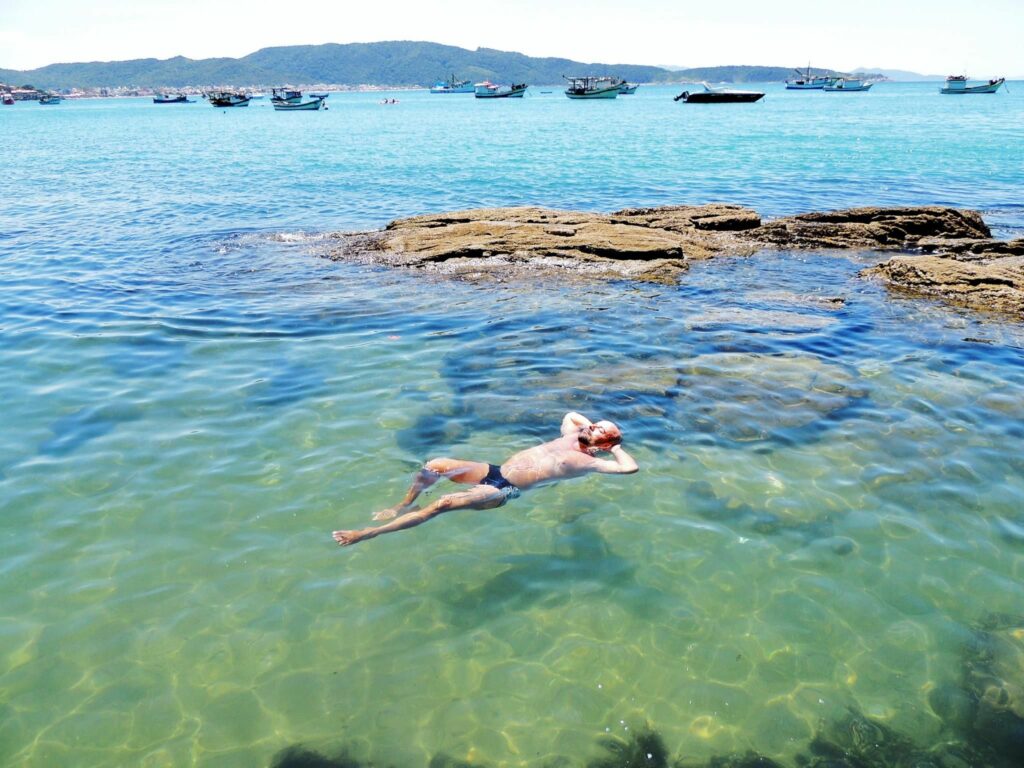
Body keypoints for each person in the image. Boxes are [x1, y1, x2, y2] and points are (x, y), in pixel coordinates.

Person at [332, 412, 638, 547]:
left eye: (599, 428)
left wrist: (615, 447)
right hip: (495, 470)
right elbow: (572, 414)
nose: (592, 426)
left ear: (605, 444)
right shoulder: (571, 434)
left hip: (506, 490)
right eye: (595, 423)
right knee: (435, 464)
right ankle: (400, 505)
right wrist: (593, 429)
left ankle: (369, 533)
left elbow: (628, 469)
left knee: (443, 502)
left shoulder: (586, 461)